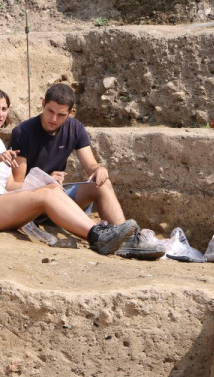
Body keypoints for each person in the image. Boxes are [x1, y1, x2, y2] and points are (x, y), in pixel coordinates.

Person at [0, 86, 137, 255]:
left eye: (4, 109)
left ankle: (117, 238)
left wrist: (43, 181)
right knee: (45, 195)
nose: (0, 114)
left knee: (51, 189)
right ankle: (97, 235)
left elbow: (10, 185)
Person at [10, 83, 165, 260]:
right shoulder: (22, 132)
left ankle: (127, 241)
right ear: (42, 103)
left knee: (102, 184)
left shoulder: (75, 128)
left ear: (71, 112)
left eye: (61, 115)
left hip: (59, 196)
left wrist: (99, 170)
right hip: (33, 203)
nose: (53, 118)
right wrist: (44, 180)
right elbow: (16, 185)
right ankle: (100, 237)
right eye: (50, 111)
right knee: (51, 191)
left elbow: (90, 165)